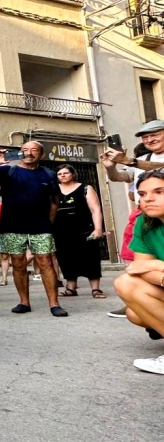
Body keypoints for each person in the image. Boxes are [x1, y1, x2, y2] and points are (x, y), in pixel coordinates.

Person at [0, 141, 65, 316]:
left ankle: (54, 304)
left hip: (41, 226)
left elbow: (54, 202)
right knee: (18, 264)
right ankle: (24, 302)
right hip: (12, 225)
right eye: (25, 150)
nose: (29, 153)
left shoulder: (48, 174)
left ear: (41, 154)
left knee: (46, 263)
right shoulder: (7, 170)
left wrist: (48, 223)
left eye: (34, 150)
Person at [102, 120, 164, 318]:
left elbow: (157, 167)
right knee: (132, 257)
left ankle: (146, 298)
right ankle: (139, 297)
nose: (150, 139)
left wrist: (129, 161)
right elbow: (119, 177)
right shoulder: (142, 156)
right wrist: (111, 167)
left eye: (155, 134)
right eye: (145, 137)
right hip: (143, 212)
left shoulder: (138, 160)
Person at [114, 170, 164, 373]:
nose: (148, 199)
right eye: (142, 194)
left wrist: (157, 265)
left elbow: (146, 266)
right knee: (132, 306)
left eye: (159, 191)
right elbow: (137, 269)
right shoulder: (145, 222)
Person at [53, 164, 106, 299]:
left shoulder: (85, 188)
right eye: (60, 174)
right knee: (66, 259)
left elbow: (96, 210)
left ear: (73, 174)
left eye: (66, 173)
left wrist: (98, 228)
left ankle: (96, 289)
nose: (63, 176)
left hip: (85, 230)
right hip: (61, 231)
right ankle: (71, 288)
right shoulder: (54, 190)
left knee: (91, 258)